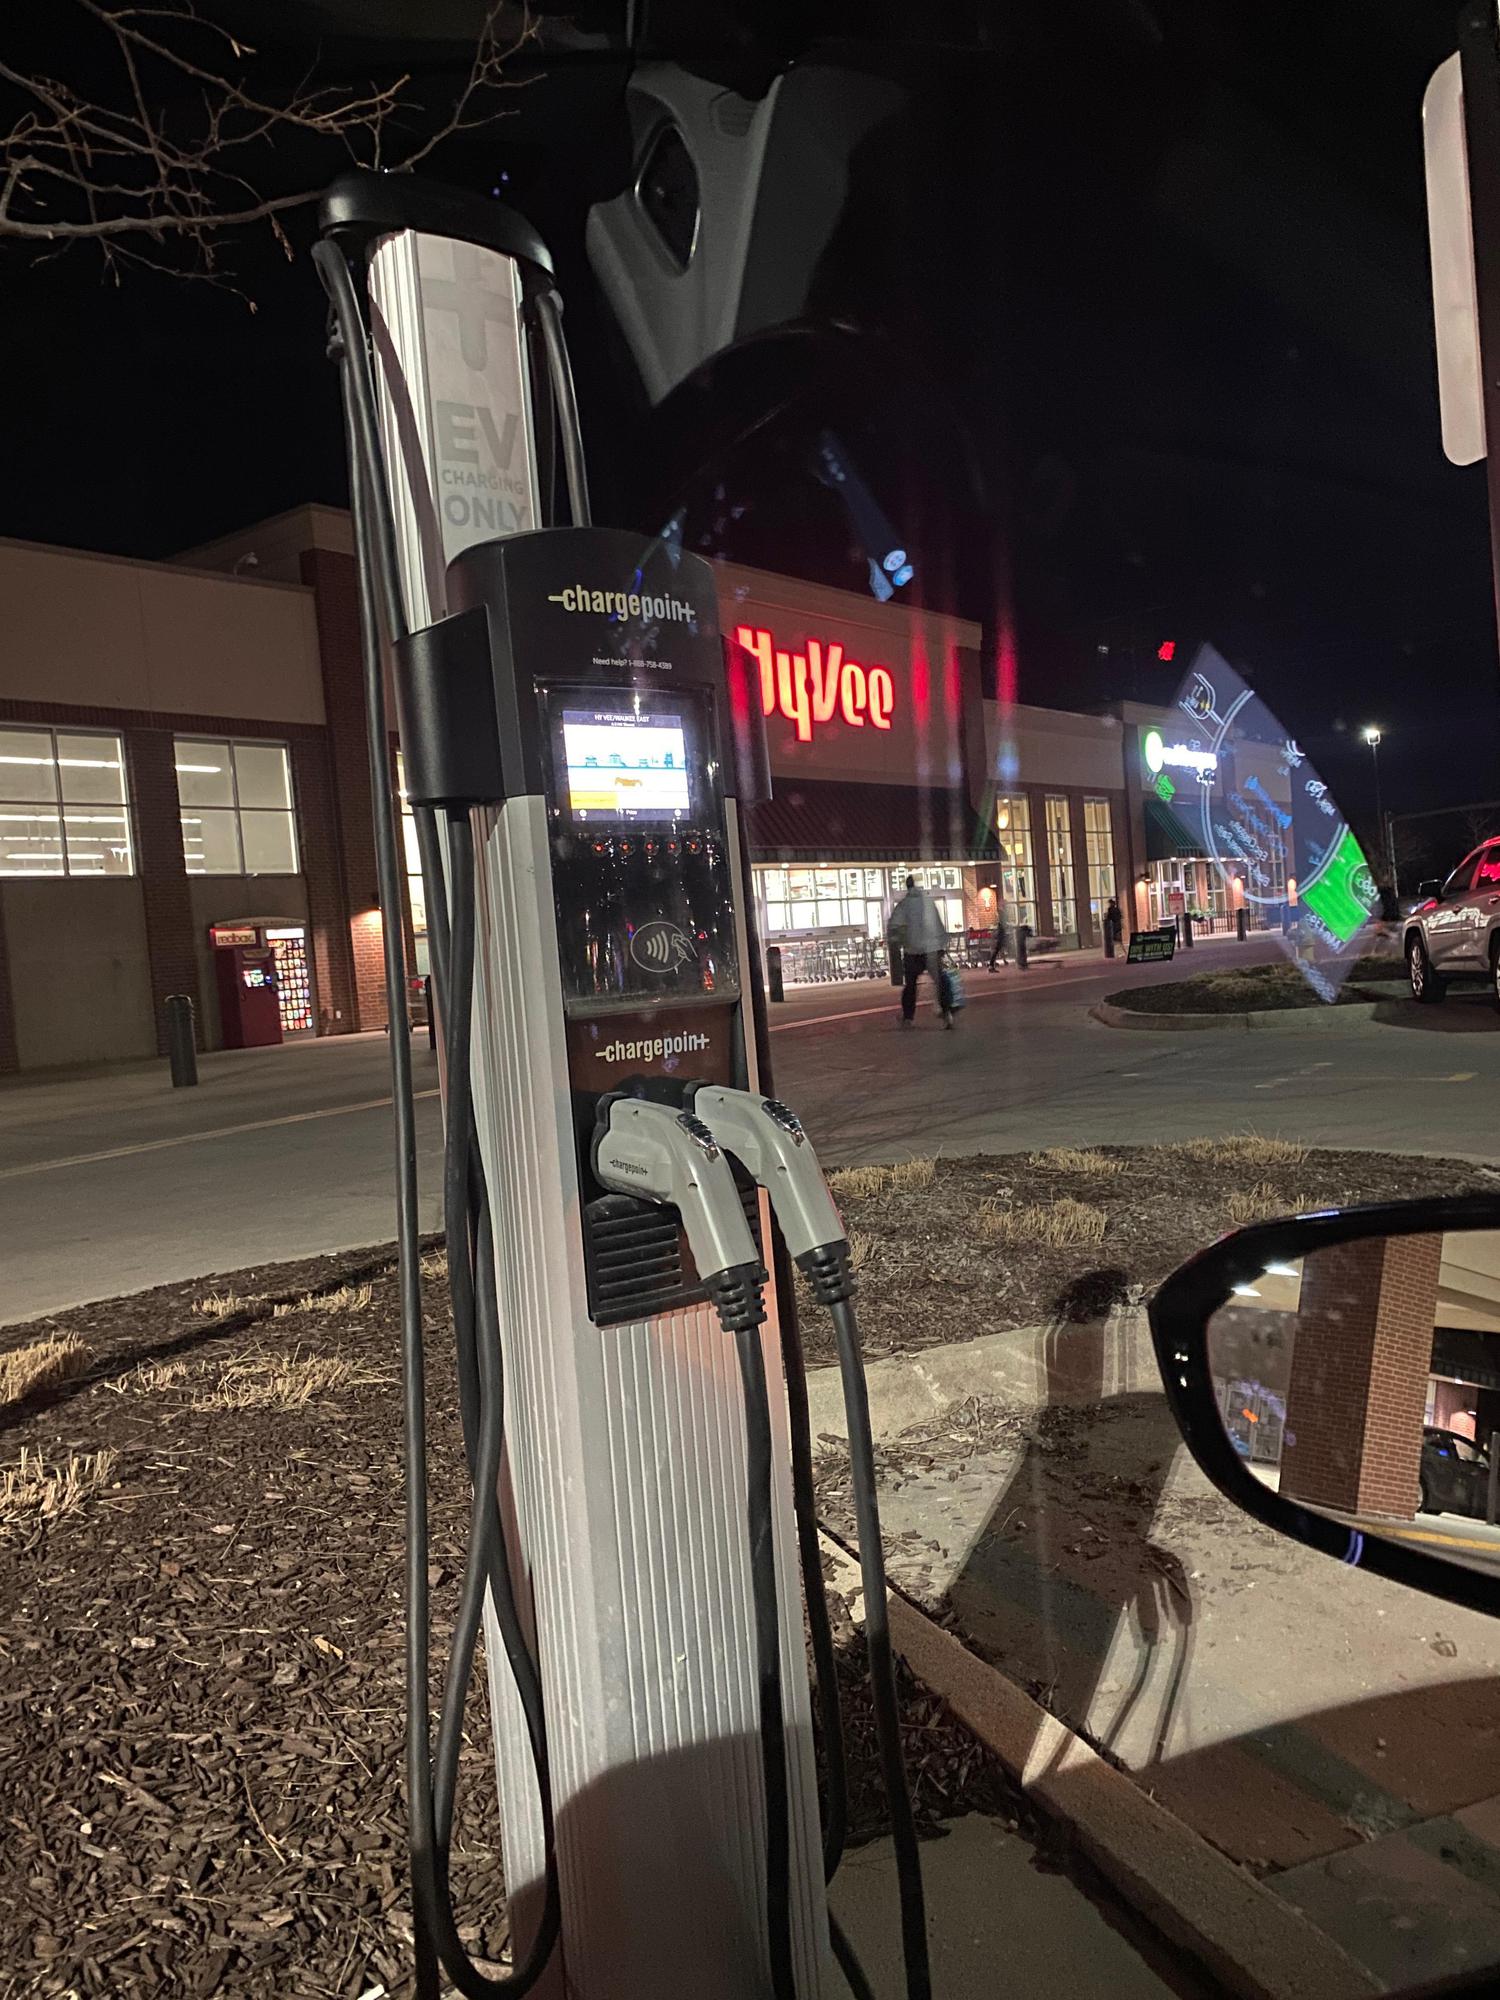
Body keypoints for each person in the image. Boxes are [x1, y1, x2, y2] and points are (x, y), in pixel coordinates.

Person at [887, 874, 952, 1026]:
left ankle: (908, 1017)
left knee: (910, 986)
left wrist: (897, 941)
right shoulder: (928, 902)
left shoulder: (904, 905)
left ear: (907, 887)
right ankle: (947, 1012)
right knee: (940, 981)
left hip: (913, 951)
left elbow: (894, 926)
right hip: (932, 949)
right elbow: (937, 924)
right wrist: (942, 943)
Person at [987, 899, 1010, 969]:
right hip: (1001, 932)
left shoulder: (1002, 912)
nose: (1006, 906)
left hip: (1002, 931)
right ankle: (991, 965)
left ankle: (992, 964)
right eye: (1005, 905)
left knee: (999, 948)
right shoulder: (1001, 912)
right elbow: (1002, 922)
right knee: (998, 948)